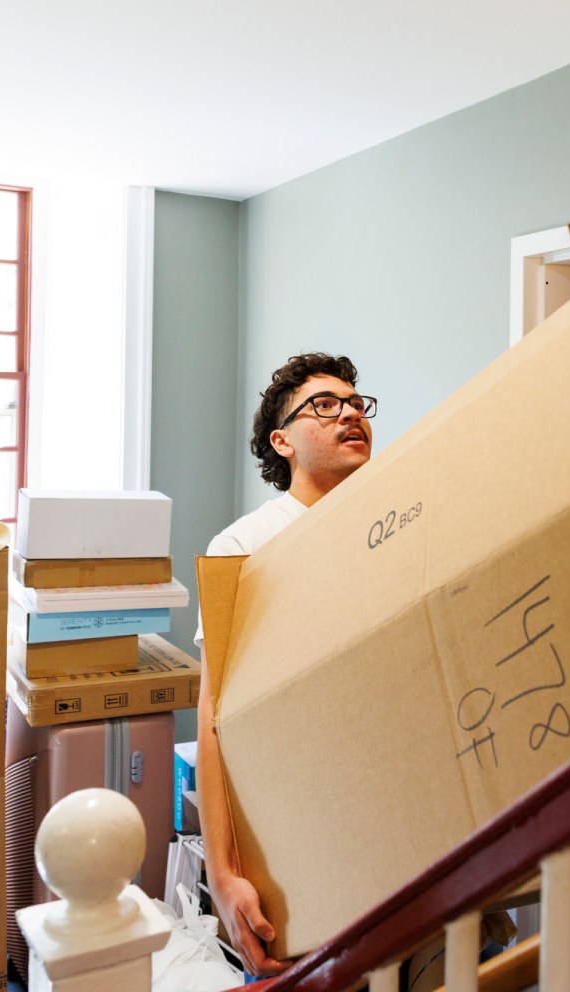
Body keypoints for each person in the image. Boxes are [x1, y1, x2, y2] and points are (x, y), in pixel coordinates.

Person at [196, 352, 376, 975]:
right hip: (292, 836)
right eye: (326, 406)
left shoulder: (389, 523)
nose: (350, 413)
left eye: (356, 403)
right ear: (283, 441)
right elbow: (215, 716)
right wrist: (223, 873)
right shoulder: (245, 548)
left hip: (385, 811)